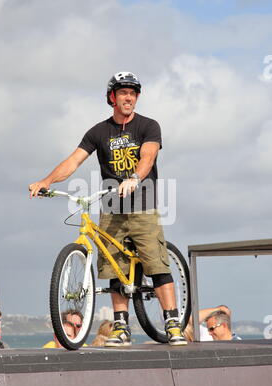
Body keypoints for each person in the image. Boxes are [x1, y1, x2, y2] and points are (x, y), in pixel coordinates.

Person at [29, 71, 187, 347]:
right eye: (123, 93)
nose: (129, 97)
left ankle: (172, 320)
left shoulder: (149, 126)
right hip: (111, 207)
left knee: (155, 263)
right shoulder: (98, 132)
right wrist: (46, 181)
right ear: (111, 97)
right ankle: (121, 326)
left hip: (142, 205)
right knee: (114, 267)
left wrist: (135, 178)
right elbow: (73, 162)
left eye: (133, 93)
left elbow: (148, 157)